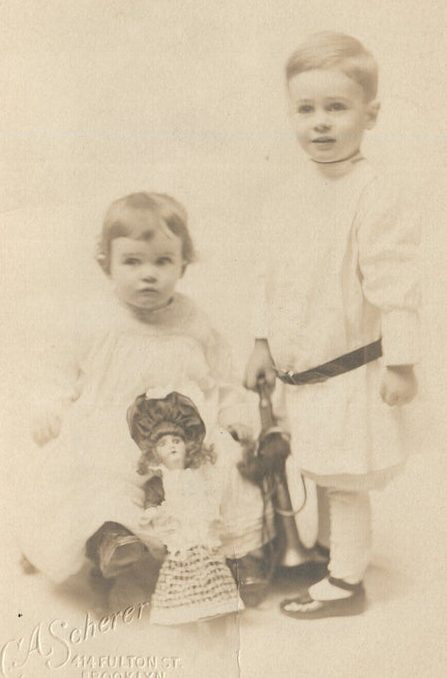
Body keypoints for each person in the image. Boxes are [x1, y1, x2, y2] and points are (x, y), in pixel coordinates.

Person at [244, 31, 421, 618]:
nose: (320, 123)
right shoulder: (288, 190)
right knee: (318, 463)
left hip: (350, 370)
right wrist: (262, 342)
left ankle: (345, 581)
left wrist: (402, 361)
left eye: (336, 108)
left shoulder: (375, 193)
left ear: (370, 114)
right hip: (303, 373)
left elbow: (396, 283)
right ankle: (324, 553)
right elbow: (272, 276)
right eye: (306, 109)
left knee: (343, 476)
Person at [22, 191, 270, 606]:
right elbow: (56, 372)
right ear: (108, 263)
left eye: (162, 262)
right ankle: (114, 548)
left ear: (183, 263)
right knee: (101, 480)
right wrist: (48, 407)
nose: (148, 275)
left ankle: (234, 557)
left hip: (183, 438)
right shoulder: (94, 320)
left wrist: (233, 415)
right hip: (110, 434)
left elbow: (223, 378)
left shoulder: (194, 321)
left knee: (223, 470)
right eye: (132, 262)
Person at [127, 389, 243, 625]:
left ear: (188, 447)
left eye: (177, 441)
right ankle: (184, 616)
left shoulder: (196, 475)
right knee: (180, 574)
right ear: (154, 453)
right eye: (163, 443)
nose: (172, 447)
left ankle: (214, 609)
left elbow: (208, 496)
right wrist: (151, 511)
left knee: (210, 568)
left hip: (200, 531)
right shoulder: (161, 480)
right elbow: (153, 499)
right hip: (181, 536)